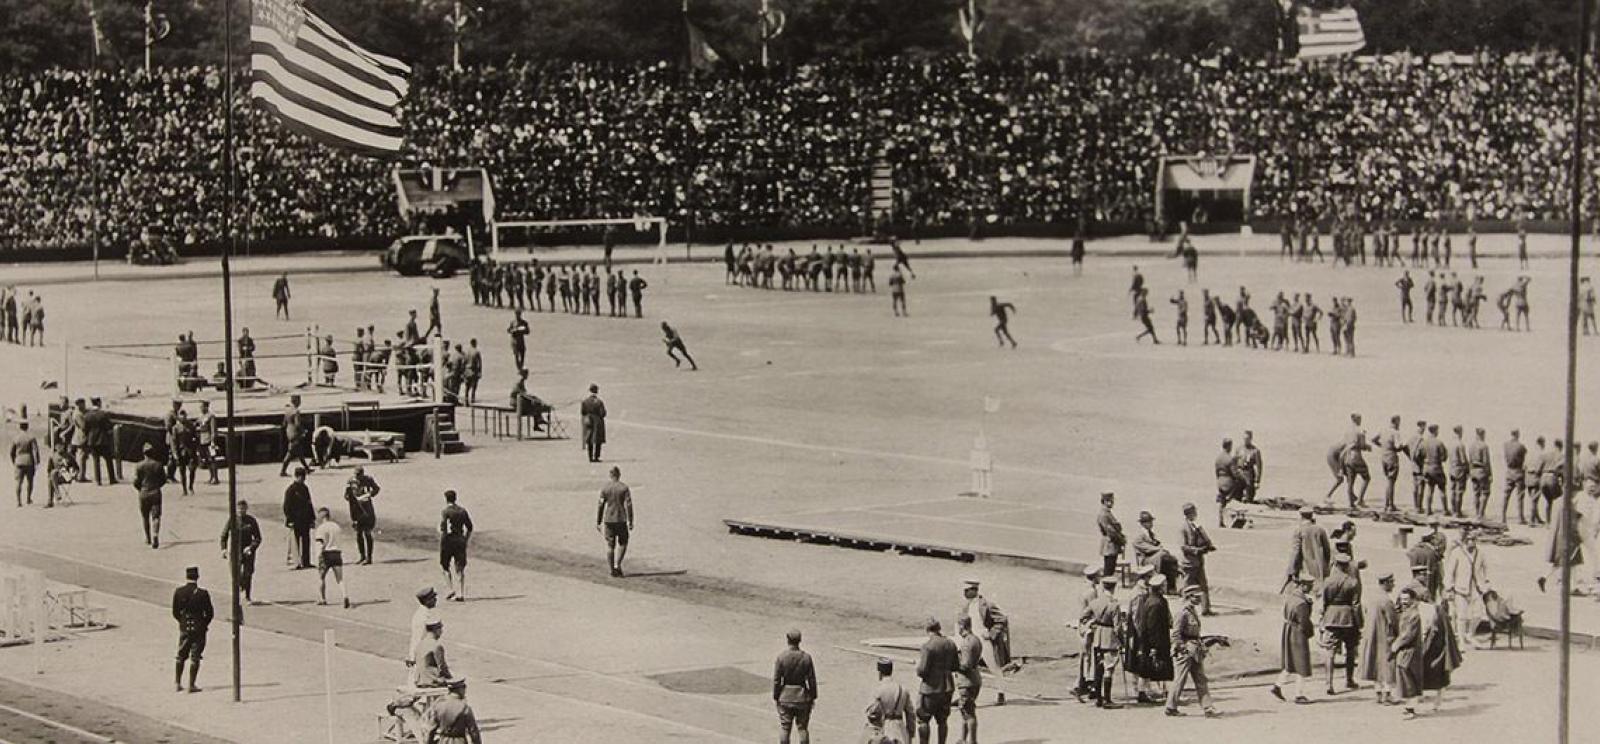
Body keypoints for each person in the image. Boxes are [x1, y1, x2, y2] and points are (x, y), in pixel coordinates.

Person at [1164, 584, 1218, 717]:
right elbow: (1175, 634)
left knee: (1201, 678)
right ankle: (1170, 706)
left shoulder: (1192, 610)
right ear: (1189, 597)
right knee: (1180, 679)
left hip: (1195, 649)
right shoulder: (1182, 612)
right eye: (1197, 597)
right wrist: (1181, 648)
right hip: (1186, 650)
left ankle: (1207, 707)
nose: (1200, 599)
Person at [1127, 572, 1173, 704]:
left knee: (1149, 668)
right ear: (1160, 587)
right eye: (1164, 585)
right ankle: (1146, 692)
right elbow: (1152, 626)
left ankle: (1161, 691)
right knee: (1151, 668)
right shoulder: (1155, 603)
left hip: (1155, 640)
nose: (1166, 586)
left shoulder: (1155, 600)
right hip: (1155, 641)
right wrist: (1155, 645)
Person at [1321, 554, 1362, 695]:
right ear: (1346, 566)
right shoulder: (1352, 581)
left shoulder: (1328, 581)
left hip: (1332, 617)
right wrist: (1359, 622)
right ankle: (1349, 679)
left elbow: (1324, 602)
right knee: (1350, 650)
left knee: (1330, 651)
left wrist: (1325, 617)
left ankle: (1328, 683)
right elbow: (1356, 604)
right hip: (1348, 618)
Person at [1443, 528, 1490, 649]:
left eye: (1474, 540)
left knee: (1478, 614)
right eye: (1469, 540)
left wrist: (1486, 583)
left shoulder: (1480, 553)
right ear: (1465, 541)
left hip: (1476, 588)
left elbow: (1486, 569)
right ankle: (1461, 641)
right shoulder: (1457, 553)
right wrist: (1449, 587)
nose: (1472, 543)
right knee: (1461, 616)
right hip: (1460, 588)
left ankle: (1470, 634)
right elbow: (1449, 572)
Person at [1271, 578, 1315, 704]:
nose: (1311, 587)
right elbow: (1304, 622)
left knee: (1290, 663)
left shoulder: (1291, 597)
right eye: (1309, 585)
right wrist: (1310, 633)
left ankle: (1277, 685)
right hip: (1298, 633)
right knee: (1302, 664)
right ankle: (1299, 695)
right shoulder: (1301, 603)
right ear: (1302, 585)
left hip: (1289, 631)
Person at [1081, 576, 1122, 708]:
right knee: (1109, 668)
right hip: (1109, 638)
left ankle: (1099, 698)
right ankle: (1107, 700)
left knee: (1098, 668)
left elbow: (1083, 616)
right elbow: (1118, 627)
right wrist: (1122, 640)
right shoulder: (1114, 605)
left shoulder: (1095, 602)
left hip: (1097, 637)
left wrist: (1092, 623)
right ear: (1114, 588)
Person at [1358, 572, 1399, 705]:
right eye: (1391, 582)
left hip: (1371, 635)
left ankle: (1378, 693)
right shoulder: (1386, 600)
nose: (1393, 585)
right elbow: (1393, 620)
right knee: (1387, 665)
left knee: (1375, 664)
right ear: (1385, 583)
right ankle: (1387, 695)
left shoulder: (1371, 598)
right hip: (1384, 636)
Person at [171, 566, 213, 693]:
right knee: (195, 656)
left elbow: (175, 612)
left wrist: (182, 622)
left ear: (186, 576)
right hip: (199, 628)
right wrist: (203, 624)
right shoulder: (203, 593)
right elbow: (210, 613)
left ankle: (177, 683)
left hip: (185, 627)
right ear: (197, 577)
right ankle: (191, 684)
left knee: (181, 655)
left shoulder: (179, 591)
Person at [916, 617, 957, 744]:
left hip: (930, 688)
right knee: (943, 721)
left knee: (923, 720)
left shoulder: (928, 647)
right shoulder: (951, 643)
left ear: (928, 630)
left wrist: (917, 667)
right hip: (947, 687)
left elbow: (922, 671)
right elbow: (955, 666)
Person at [774, 629, 817, 744]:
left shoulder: (781, 657)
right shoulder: (806, 657)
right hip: (802, 696)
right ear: (800, 641)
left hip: (785, 696)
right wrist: (813, 696)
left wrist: (776, 696)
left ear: (787, 640)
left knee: (785, 728)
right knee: (802, 728)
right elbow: (812, 680)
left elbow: (777, 680)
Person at [1390, 586, 1425, 719]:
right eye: (1402, 599)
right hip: (1405, 650)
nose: (1404, 601)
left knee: (1408, 677)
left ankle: (1411, 708)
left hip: (1410, 651)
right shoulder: (1407, 612)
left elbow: (1408, 635)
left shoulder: (1414, 615)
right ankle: (1409, 706)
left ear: (1413, 600)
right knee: (1405, 677)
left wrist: (1395, 645)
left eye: (1406, 599)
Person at [220, 500, 263, 604]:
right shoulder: (232, 520)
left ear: (246, 509)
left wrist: (251, 547)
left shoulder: (251, 521)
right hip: (235, 550)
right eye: (239, 509)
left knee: (248, 573)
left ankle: (247, 596)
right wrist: (224, 549)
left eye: (243, 508)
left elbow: (258, 538)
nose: (241, 511)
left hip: (247, 550)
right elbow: (223, 536)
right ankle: (239, 587)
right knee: (235, 573)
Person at [865, 658, 915, 744]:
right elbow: (911, 714)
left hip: (885, 729)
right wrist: (910, 734)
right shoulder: (903, 689)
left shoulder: (879, 690)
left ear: (880, 673)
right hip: (901, 730)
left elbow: (871, 712)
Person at [597, 466, 634, 577]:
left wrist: (598, 520)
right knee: (623, 542)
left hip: (608, 518)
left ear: (610, 475)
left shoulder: (605, 488)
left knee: (610, 545)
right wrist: (630, 519)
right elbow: (629, 505)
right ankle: (618, 564)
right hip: (621, 518)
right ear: (619, 475)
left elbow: (601, 505)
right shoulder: (624, 488)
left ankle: (611, 568)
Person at [1178, 503, 1215, 614]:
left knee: (1203, 585)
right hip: (1189, 562)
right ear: (1189, 514)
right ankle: (1184, 608)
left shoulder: (1195, 526)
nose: (1196, 514)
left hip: (1198, 561)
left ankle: (1206, 609)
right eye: (1194, 512)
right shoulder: (1183, 528)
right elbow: (1183, 547)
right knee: (1187, 586)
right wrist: (1197, 550)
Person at [952, 616, 982, 744]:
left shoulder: (966, 643)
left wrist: (952, 664)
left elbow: (965, 666)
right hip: (975, 679)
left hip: (966, 682)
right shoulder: (976, 640)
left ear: (962, 626)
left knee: (969, 712)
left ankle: (972, 741)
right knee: (965, 711)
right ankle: (963, 739)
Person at [1285, 506, 1331, 590]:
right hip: (1320, 567)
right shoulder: (1320, 529)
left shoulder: (1299, 530)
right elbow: (1327, 550)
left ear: (1301, 516)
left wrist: (1291, 570)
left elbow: (1296, 552)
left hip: (1306, 567)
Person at [439, 490, 473, 601]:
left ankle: (450, 588)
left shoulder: (445, 512)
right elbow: (470, 528)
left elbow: (443, 528)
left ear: (446, 499)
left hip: (448, 540)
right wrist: (465, 539)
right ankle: (461, 593)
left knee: (445, 566)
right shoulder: (463, 511)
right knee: (460, 568)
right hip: (459, 540)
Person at [312, 507, 349, 608]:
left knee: (321, 577)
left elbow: (320, 543)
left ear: (322, 516)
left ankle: (323, 599)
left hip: (326, 554)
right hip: (337, 553)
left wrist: (318, 557)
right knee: (340, 578)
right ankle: (345, 595)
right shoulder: (336, 527)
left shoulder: (321, 528)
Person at [429, 678, 483, 744]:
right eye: (464, 688)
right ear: (459, 690)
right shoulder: (464, 708)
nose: (465, 691)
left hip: (443, 741)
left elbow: (430, 730)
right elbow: (473, 731)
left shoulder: (438, 705)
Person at [282, 467, 316, 569]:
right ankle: (296, 562)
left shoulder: (305, 488)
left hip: (305, 520)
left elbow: (309, 503)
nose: (303, 479)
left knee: (306, 541)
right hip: (295, 520)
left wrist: (312, 518)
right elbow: (286, 506)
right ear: (297, 476)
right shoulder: (291, 490)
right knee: (295, 542)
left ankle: (306, 561)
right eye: (302, 477)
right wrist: (289, 519)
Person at [345, 466, 381, 565]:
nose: (357, 477)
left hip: (367, 509)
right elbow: (347, 494)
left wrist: (369, 494)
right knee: (358, 533)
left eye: (359, 475)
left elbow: (377, 489)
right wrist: (350, 497)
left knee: (367, 533)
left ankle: (369, 557)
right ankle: (362, 556)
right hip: (356, 509)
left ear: (362, 474)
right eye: (356, 475)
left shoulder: (368, 480)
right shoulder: (351, 481)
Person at [134, 442, 166, 548]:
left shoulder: (139, 466)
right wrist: (157, 486)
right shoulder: (158, 465)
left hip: (143, 492)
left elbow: (136, 481)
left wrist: (140, 488)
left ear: (144, 453)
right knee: (156, 516)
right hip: (155, 492)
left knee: (145, 516)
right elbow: (163, 480)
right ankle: (155, 535)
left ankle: (147, 537)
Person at [278, 394, 310, 478]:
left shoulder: (287, 410)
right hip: (295, 434)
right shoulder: (296, 411)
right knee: (290, 453)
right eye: (299, 400)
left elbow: (284, 423)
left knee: (299, 452)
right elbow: (297, 424)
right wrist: (303, 431)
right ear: (296, 401)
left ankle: (307, 468)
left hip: (289, 432)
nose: (300, 402)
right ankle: (282, 471)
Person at [11, 420, 39, 507]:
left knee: (19, 482)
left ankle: (18, 501)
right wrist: (37, 461)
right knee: (30, 482)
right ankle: (28, 499)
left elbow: (11, 452)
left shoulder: (16, 438)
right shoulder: (31, 437)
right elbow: (35, 450)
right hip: (29, 461)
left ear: (20, 427)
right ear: (27, 426)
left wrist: (14, 461)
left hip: (19, 461)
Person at [1096, 492, 1124, 578]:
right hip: (1110, 544)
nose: (1111, 503)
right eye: (1109, 501)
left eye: (1112, 501)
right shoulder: (1104, 514)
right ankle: (1106, 588)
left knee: (1110, 568)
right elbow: (1111, 531)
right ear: (1104, 501)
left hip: (1111, 544)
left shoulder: (1107, 513)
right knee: (1109, 570)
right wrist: (1121, 540)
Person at [1468, 427, 1494, 520]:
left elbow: (1470, 461)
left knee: (1476, 493)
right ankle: (1481, 514)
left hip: (1473, 471)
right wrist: (1490, 474)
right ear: (1482, 434)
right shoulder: (1484, 446)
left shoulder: (1471, 446)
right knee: (1485, 493)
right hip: (1482, 471)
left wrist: (1470, 472)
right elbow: (1486, 462)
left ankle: (1477, 513)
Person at [1214, 438, 1240, 527]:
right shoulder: (1229, 459)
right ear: (1229, 446)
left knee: (1221, 502)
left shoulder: (1218, 458)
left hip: (1220, 481)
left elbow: (1216, 472)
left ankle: (1220, 521)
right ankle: (1234, 518)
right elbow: (1235, 474)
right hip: (1228, 482)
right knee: (1237, 494)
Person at [581, 384, 607, 462]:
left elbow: (583, 412)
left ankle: (590, 457)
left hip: (588, 420)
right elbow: (603, 413)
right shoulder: (599, 402)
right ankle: (596, 456)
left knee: (589, 439)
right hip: (597, 421)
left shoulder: (585, 401)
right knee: (597, 440)